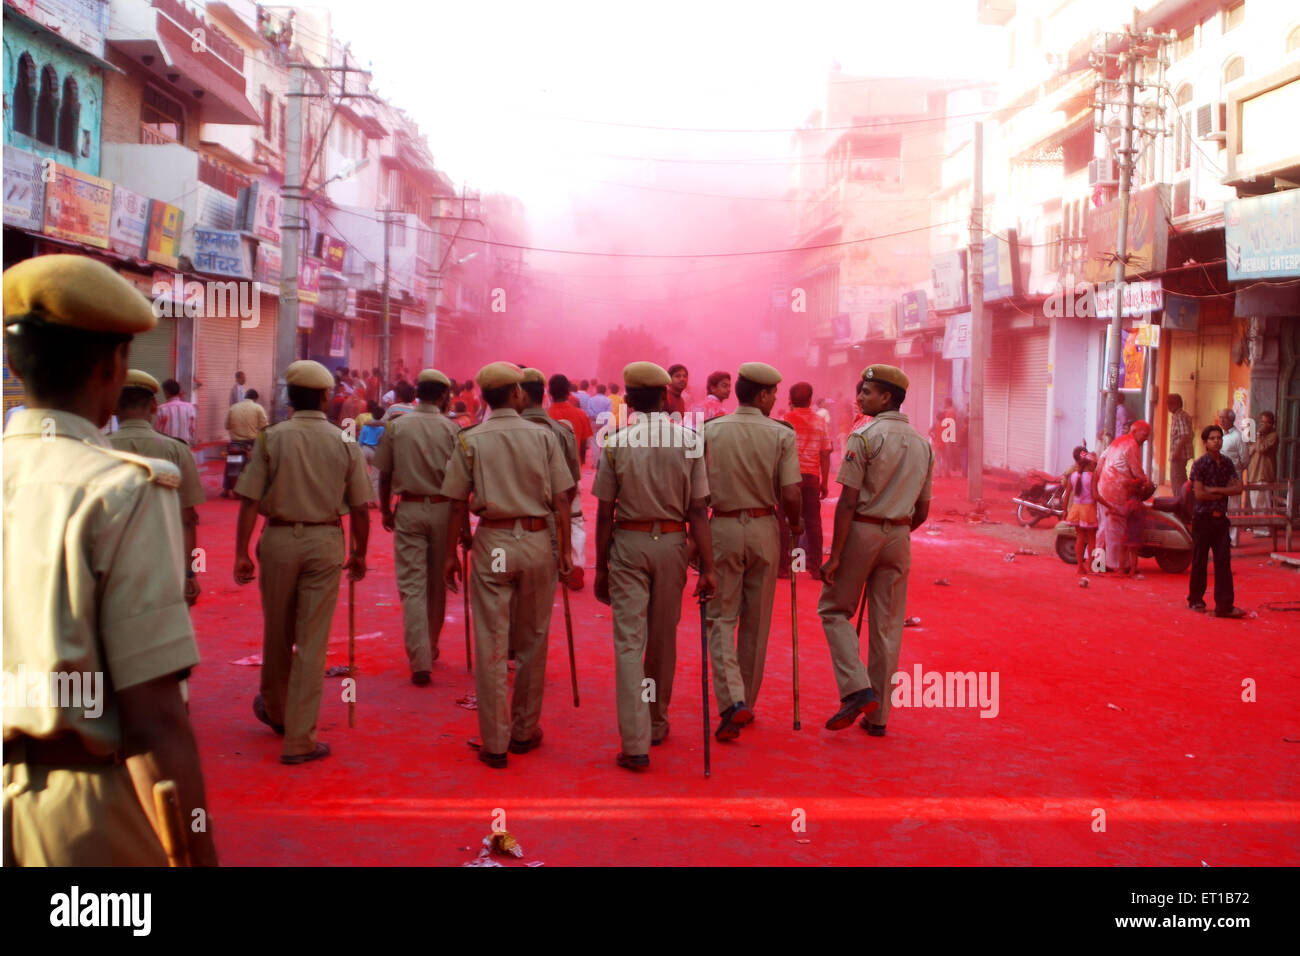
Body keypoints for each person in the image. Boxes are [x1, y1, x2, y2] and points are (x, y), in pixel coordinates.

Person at [3, 253, 217, 865]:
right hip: (75, 815)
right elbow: (155, 719)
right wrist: (196, 854)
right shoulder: (122, 490)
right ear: (112, 364)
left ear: (16, 365)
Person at [233, 359, 372, 764]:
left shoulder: (270, 438)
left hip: (277, 540)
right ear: (327, 397)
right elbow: (361, 507)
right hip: (325, 540)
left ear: (290, 397)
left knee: (277, 631)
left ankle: (277, 713)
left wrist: (241, 552)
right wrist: (359, 553)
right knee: (311, 641)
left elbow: (250, 499)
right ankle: (299, 739)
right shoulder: (344, 440)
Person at [441, 362, 574, 769]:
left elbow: (456, 501)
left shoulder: (470, 439)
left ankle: (494, 741)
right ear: (517, 393)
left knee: (492, 643)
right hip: (535, 541)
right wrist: (565, 552)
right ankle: (522, 731)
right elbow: (563, 501)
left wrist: (450, 553)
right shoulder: (543, 436)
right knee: (533, 640)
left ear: (482, 396)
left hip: (494, 541)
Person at [594, 362, 716, 769]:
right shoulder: (690, 441)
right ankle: (657, 720)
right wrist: (710, 568)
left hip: (628, 543)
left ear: (628, 400)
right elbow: (698, 510)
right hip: (673, 544)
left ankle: (635, 742)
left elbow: (604, 513)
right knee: (662, 637)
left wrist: (599, 568)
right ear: (666, 398)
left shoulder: (615, 441)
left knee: (630, 642)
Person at [817, 365, 933, 738]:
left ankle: (855, 688)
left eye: (867, 392)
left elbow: (848, 502)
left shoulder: (863, 437)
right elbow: (924, 509)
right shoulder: (923, 443)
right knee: (886, 627)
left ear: (886, 398)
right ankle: (878, 716)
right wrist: (895, 530)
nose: (860, 397)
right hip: (900, 536)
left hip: (863, 529)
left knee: (834, 610)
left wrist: (835, 555)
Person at [700, 363, 801, 741]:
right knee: (756, 622)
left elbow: (696, 491)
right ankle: (745, 703)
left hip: (723, 525)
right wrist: (796, 527)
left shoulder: (710, 430)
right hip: (764, 527)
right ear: (761, 395)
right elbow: (791, 492)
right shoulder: (780, 434)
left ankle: (732, 701)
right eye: (774, 393)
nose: (776, 399)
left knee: (722, 617)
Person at [376, 369, 461, 684]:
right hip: (443, 510)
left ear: (418, 393)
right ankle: (432, 646)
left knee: (412, 586)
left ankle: (419, 658)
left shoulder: (397, 426)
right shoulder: (452, 430)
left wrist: (386, 509)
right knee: (437, 583)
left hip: (408, 508)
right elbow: (461, 484)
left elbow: (385, 474)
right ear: (442, 395)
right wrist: (462, 527)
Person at [111, 369, 206, 605]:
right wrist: (190, 573)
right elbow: (188, 521)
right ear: (154, 406)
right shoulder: (178, 450)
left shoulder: (94, 447)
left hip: (110, 568)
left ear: (114, 406)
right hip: (164, 567)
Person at [1187, 425, 1248, 618]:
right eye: (1212, 438)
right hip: (1203, 519)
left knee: (1223, 562)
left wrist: (1214, 490)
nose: (1217, 441)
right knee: (1199, 561)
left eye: (1219, 438)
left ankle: (1224, 605)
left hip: (1221, 520)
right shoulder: (1200, 465)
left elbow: (1238, 489)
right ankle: (1196, 599)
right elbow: (1200, 494)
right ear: (1205, 443)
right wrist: (1221, 492)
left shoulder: (1228, 463)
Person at [778, 381, 832, 580]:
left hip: (788, 477)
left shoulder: (784, 420)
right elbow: (825, 453)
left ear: (790, 399)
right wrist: (824, 481)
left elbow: (778, 452)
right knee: (813, 522)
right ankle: (815, 567)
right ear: (810, 400)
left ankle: (782, 567)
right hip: (811, 477)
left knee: (783, 521)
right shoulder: (820, 422)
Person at [1094, 420, 1153, 577]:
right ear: (1135, 430)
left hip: (1103, 487)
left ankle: (1097, 563)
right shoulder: (1132, 445)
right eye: (1144, 435)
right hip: (1116, 490)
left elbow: (1101, 461)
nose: (1146, 439)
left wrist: (1098, 480)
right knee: (1116, 528)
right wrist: (1146, 483)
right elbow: (1137, 471)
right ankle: (1116, 565)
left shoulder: (1118, 441)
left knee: (1103, 527)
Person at [222, 387, 268, 499]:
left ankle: (226, 490)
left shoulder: (233, 408)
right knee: (254, 465)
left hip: (235, 443)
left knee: (230, 464)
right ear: (255, 399)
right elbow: (264, 427)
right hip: (250, 443)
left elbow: (226, 426)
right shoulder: (258, 408)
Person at [1062, 450, 1098, 580]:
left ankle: (1080, 568)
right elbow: (1095, 495)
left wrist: (1065, 510)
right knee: (1092, 538)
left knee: (1080, 538)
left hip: (1076, 508)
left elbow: (1066, 495)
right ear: (1090, 464)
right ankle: (1091, 567)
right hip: (1088, 509)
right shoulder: (1092, 475)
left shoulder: (1073, 475)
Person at [547, 373, 594, 467]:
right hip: (573, 468)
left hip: (551, 470)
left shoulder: (545, 416)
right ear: (568, 392)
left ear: (550, 392)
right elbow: (583, 445)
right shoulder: (581, 414)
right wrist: (579, 463)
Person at [1248, 411, 1278, 534]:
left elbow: (1261, 449)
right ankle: (1257, 527)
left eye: (1266, 422)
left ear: (1272, 424)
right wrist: (1256, 439)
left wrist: (1259, 437)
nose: (1263, 425)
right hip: (1254, 473)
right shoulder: (1260, 437)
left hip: (1264, 473)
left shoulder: (1273, 436)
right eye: (1262, 422)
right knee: (1255, 502)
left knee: (1263, 502)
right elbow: (1250, 451)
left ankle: (1264, 529)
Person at [155, 377, 197, 445]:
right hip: (184, 446)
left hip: (167, 447)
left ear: (166, 392)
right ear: (178, 391)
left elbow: (157, 431)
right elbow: (192, 430)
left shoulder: (162, 409)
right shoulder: (190, 408)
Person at [1167, 393, 1193, 498]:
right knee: (1181, 478)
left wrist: (1177, 452)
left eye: (1170, 403)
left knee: (1176, 479)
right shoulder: (1180, 415)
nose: (1168, 406)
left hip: (1179, 454)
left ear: (1177, 403)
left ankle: (1179, 501)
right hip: (1181, 454)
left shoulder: (1180, 416)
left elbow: (1185, 434)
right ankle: (1183, 501)